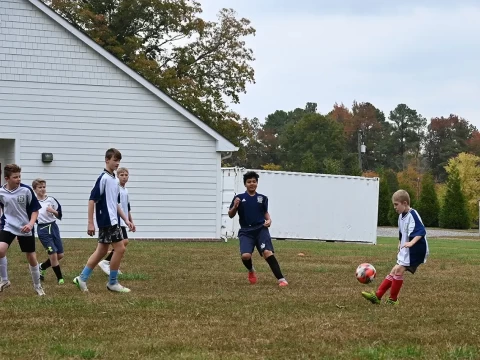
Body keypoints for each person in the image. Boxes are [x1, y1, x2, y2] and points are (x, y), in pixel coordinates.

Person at [73, 149, 133, 293]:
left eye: (119, 160)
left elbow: (115, 203)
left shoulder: (114, 180)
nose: (117, 163)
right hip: (107, 220)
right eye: (114, 160)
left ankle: (82, 278)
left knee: (102, 251)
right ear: (107, 160)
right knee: (120, 248)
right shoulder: (104, 178)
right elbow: (92, 199)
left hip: (114, 221)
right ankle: (112, 282)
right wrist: (90, 222)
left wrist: (125, 219)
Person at [362, 189, 429, 305]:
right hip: (407, 249)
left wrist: (411, 243)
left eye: (396, 204)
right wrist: (400, 242)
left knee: (398, 271)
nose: (395, 207)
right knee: (394, 270)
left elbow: (421, 231)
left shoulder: (413, 214)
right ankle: (377, 296)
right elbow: (402, 233)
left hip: (416, 250)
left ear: (405, 203)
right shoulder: (401, 217)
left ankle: (393, 300)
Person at [228, 171, 288, 287]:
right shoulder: (239, 198)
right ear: (245, 184)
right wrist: (235, 207)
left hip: (261, 230)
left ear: (257, 183)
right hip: (246, 231)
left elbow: (265, 212)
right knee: (245, 256)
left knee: (267, 252)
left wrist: (269, 220)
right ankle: (251, 270)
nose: (252, 184)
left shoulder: (262, 198)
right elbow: (230, 215)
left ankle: (281, 279)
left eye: (254, 181)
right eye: (249, 182)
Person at [0, 164, 45, 296]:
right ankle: (5, 280)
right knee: (1, 249)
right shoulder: (1, 192)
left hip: (25, 227)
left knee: (31, 257)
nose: (19, 179)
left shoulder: (26, 190)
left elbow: (35, 210)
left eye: (19, 176)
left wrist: (30, 224)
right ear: (7, 178)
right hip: (8, 226)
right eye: (15, 177)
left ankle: (38, 286)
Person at [99, 167, 136, 275]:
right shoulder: (117, 188)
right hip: (117, 220)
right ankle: (107, 263)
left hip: (124, 221)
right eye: (122, 175)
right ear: (118, 176)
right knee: (123, 243)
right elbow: (115, 205)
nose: (124, 177)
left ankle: (111, 264)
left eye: (126, 175)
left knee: (123, 243)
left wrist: (131, 221)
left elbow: (127, 208)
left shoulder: (126, 190)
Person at [32, 178, 65, 284]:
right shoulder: (33, 202)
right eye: (39, 187)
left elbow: (59, 214)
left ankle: (42, 267)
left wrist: (53, 211)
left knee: (60, 255)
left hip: (53, 227)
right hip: (43, 230)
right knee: (53, 254)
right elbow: (30, 216)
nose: (42, 189)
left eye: (44, 187)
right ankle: (60, 278)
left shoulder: (51, 200)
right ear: (35, 189)